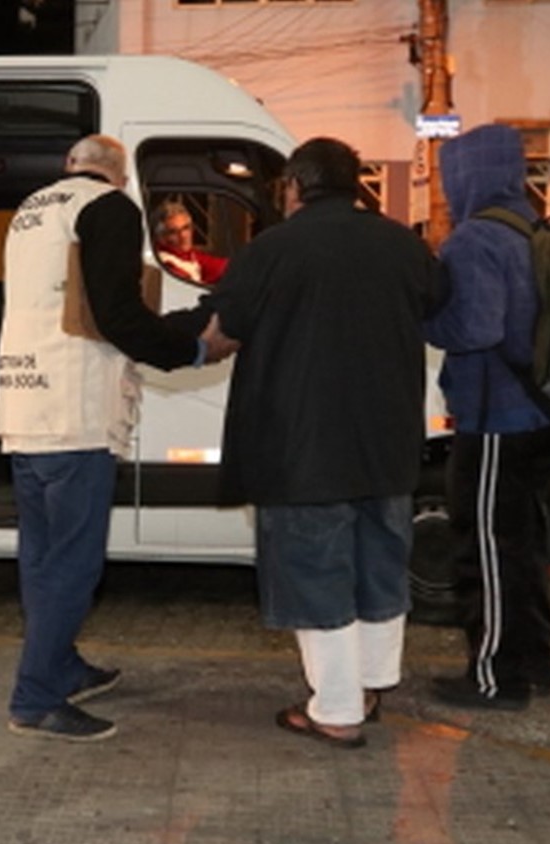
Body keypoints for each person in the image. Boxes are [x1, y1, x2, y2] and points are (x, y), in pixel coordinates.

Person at [201, 137, 435, 748]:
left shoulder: (273, 248)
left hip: (301, 447)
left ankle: (336, 709)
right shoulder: (403, 245)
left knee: (317, 573)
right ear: (355, 184)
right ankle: (374, 683)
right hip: (388, 443)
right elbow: (439, 309)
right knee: (380, 566)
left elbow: (223, 329)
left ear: (295, 188)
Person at [0, 134, 219, 742]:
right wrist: (190, 348)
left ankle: (61, 666)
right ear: (120, 178)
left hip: (23, 406)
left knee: (41, 558)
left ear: (71, 167)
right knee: (71, 562)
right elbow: (116, 312)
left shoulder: (32, 210)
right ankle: (35, 697)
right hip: (75, 409)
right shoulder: (108, 208)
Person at [423, 123, 550, 711]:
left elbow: (476, 328)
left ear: (468, 174)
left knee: (484, 548)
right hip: (543, 415)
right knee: (523, 545)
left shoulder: (474, 239)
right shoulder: (531, 227)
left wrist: (423, 322)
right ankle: (536, 660)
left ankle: (495, 677)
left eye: (448, 174)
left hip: (495, 420)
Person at [151, 200, 228, 285]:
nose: (183, 236)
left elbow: (217, 266)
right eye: (173, 232)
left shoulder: (187, 255)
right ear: (161, 237)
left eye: (186, 228)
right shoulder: (165, 263)